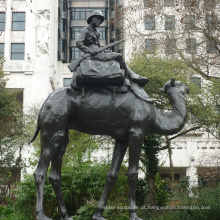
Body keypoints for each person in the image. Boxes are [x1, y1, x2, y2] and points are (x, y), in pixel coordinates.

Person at [75, 10, 149, 87]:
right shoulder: (85, 30)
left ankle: (132, 75)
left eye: (100, 20)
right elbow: (78, 43)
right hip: (92, 55)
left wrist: (105, 51)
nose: (99, 21)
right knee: (119, 56)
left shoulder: (97, 32)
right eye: (97, 18)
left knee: (115, 55)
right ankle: (132, 76)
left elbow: (97, 46)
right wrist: (89, 50)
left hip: (98, 52)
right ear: (91, 19)